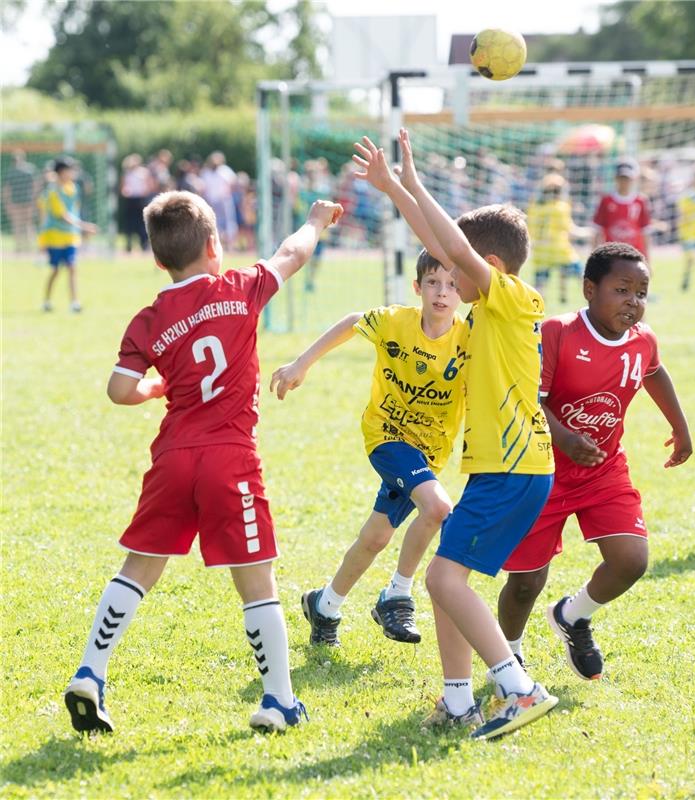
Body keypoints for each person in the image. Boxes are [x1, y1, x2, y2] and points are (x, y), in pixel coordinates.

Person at [63, 191, 343, 735]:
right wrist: (314, 220)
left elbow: (119, 389)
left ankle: (91, 673)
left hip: (171, 457)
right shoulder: (239, 288)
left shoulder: (149, 319)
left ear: (158, 260)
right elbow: (292, 253)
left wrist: (152, 388)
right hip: (229, 457)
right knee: (257, 579)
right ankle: (279, 700)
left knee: (139, 567)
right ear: (215, 246)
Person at [365, 129, 557, 740]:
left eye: (459, 268)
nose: (447, 279)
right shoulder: (491, 307)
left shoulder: (514, 299)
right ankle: (456, 702)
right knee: (449, 578)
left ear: (489, 268)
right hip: (505, 468)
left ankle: (518, 690)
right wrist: (394, 188)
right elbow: (439, 244)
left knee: (443, 579)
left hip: (514, 468)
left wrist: (416, 183)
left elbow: (450, 245)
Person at [498, 242, 692, 680]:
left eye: (641, 292)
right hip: (542, 471)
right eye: (622, 290)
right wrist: (563, 437)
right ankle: (508, 657)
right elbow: (527, 397)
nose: (634, 302)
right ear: (590, 289)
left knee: (631, 559)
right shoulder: (558, 332)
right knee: (526, 581)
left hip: (603, 469)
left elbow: (654, 372)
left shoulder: (643, 341)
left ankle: (572, 615)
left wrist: (680, 426)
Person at [270, 249, 465, 646]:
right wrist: (301, 364)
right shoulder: (396, 322)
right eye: (432, 283)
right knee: (439, 508)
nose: (442, 293)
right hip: (387, 437)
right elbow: (352, 322)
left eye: (451, 285)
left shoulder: (469, 338)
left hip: (429, 452)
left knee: (376, 536)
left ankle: (325, 605)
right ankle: (397, 595)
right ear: (417, 287)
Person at [42, 157, 97, 313]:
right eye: (69, 170)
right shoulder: (53, 192)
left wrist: (79, 229)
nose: (72, 173)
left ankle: (74, 302)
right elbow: (63, 215)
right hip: (55, 236)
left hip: (70, 236)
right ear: (60, 172)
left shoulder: (73, 188)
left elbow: (74, 210)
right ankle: (47, 300)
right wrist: (84, 226)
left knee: (72, 267)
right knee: (56, 270)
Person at [526, 173, 587, 304]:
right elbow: (570, 229)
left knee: (539, 287)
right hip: (559, 250)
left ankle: (535, 310)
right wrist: (587, 232)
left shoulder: (535, 207)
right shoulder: (561, 207)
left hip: (541, 251)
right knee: (582, 275)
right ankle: (595, 300)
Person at [592, 158, 652, 265]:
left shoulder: (641, 201)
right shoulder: (606, 201)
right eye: (621, 178)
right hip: (611, 254)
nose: (624, 182)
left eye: (627, 178)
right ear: (615, 178)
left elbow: (645, 232)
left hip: (634, 254)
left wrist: (648, 259)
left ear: (634, 178)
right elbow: (598, 230)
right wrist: (594, 256)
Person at [3, 149, 38, 253]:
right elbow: (35, 186)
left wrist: (7, 203)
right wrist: (34, 200)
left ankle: (20, 247)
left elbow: (6, 190)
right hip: (26, 201)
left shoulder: (12, 171)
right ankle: (29, 247)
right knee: (27, 224)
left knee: (19, 224)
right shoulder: (30, 169)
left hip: (18, 202)